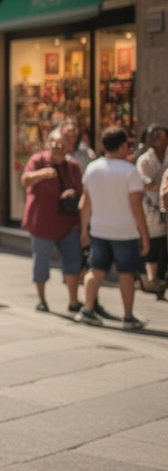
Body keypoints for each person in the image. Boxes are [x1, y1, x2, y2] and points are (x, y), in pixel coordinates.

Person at [76, 127, 152, 330]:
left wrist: (84, 229)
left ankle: (88, 309)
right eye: (129, 144)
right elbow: (137, 208)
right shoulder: (129, 172)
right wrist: (145, 236)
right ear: (122, 146)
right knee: (127, 274)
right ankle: (128, 316)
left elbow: (85, 202)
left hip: (99, 230)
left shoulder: (92, 168)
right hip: (125, 233)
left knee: (96, 270)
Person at [22, 129, 85, 313]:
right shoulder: (37, 161)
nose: (59, 147)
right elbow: (25, 180)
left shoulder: (73, 166)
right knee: (41, 262)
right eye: (55, 143)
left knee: (73, 261)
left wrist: (72, 194)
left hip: (68, 222)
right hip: (42, 221)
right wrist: (42, 173)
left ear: (69, 147)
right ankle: (41, 299)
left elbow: (81, 191)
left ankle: (73, 302)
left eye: (63, 144)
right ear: (48, 144)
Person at [134, 125, 166, 294]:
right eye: (157, 137)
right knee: (152, 243)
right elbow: (143, 180)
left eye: (163, 137)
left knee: (163, 245)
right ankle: (149, 279)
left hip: (164, 208)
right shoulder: (145, 159)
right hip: (151, 207)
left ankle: (159, 278)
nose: (160, 141)